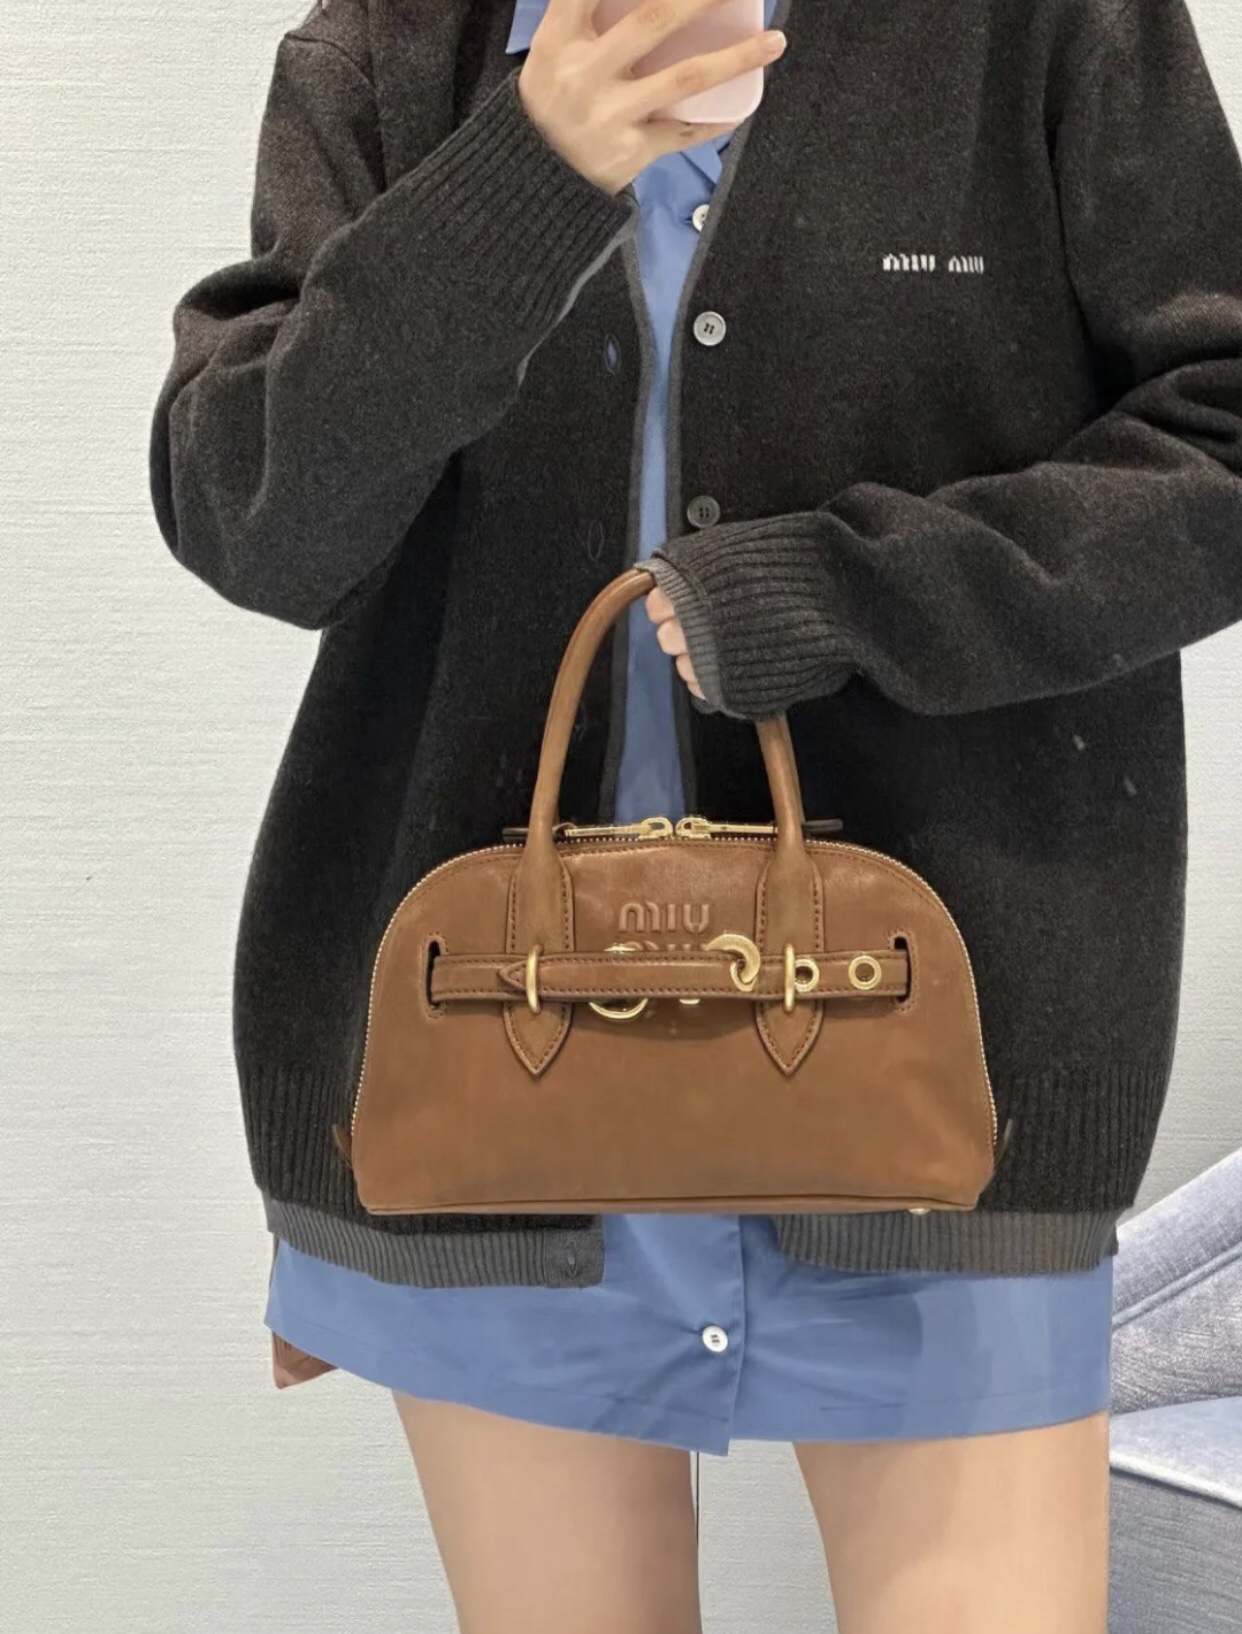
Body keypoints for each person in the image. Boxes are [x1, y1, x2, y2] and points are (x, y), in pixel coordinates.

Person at [147, 1, 1242, 1629]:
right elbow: (255, 513)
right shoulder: (391, 47)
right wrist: (526, 174)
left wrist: (842, 593)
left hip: (944, 1088)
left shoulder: (1037, 26)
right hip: (497, 1088)